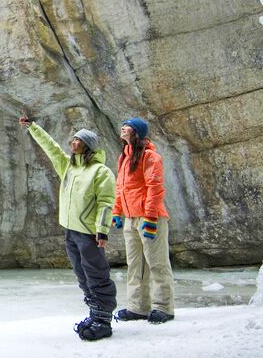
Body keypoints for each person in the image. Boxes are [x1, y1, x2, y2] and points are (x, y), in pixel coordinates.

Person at [19, 112, 117, 341]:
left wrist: (102, 230)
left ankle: (103, 320)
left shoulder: (100, 172)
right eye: (73, 139)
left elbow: (105, 203)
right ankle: (94, 312)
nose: (73, 143)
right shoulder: (69, 168)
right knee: (82, 274)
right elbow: (51, 148)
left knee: (96, 273)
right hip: (71, 231)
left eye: (78, 140)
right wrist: (32, 127)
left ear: (88, 146)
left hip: (89, 233)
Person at [111, 117, 175, 324]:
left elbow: (155, 188)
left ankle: (163, 307)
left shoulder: (150, 157)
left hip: (150, 217)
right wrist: (117, 212)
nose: (123, 128)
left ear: (137, 132)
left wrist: (150, 217)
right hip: (130, 219)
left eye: (127, 127)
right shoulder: (124, 158)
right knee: (135, 265)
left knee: (157, 263)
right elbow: (121, 189)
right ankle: (138, 307)